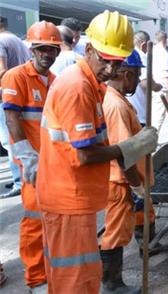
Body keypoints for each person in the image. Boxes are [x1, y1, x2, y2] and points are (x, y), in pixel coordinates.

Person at [37, 11, 158, 292]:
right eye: (105, 60)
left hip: (75, 196)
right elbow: (85, 154)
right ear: (89, 49)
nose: (111, 70)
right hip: (66, 198)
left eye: (117, 63)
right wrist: (131, 147)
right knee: (76, 281)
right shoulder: (77, 86)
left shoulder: (93, 86)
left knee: (82, 276)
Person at [2, 20, 61, 293]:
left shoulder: (54, 81)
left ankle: (48, 271)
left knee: (50, 220)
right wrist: (27, 157)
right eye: (41, 49)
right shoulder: (16, 77)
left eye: (52, 49)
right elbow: (12, 117)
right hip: (33, 164)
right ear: (32, 49)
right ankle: (36, 278)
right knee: (35, 221)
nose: (46, 54)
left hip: (52, 163)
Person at [101, 50, 147, 294]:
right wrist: (135, 186)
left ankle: (111, 282)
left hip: (120, 179)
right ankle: (112, 284)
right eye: (137, 76)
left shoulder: (118, 97)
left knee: (117, 230)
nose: (138, 82)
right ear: (127, 73)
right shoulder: (116, 104)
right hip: (119, 181)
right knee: (115, 233)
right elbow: (123, 153)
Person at [0, 16, 30, 199]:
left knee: (8, 140)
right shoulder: (17, 40)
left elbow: (1, 70)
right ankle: (21, 177)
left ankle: (20, 180)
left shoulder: (0, 41)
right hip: (21, 93)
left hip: (6, 94)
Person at [152, 31, 168, 129]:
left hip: (153, 84)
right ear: (165, 39)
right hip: (161, 86)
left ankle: (152, 139)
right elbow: (165, 73)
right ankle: (153, 140)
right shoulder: (163, 53)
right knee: (159, 116)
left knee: (154, 114)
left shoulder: (153, 50)